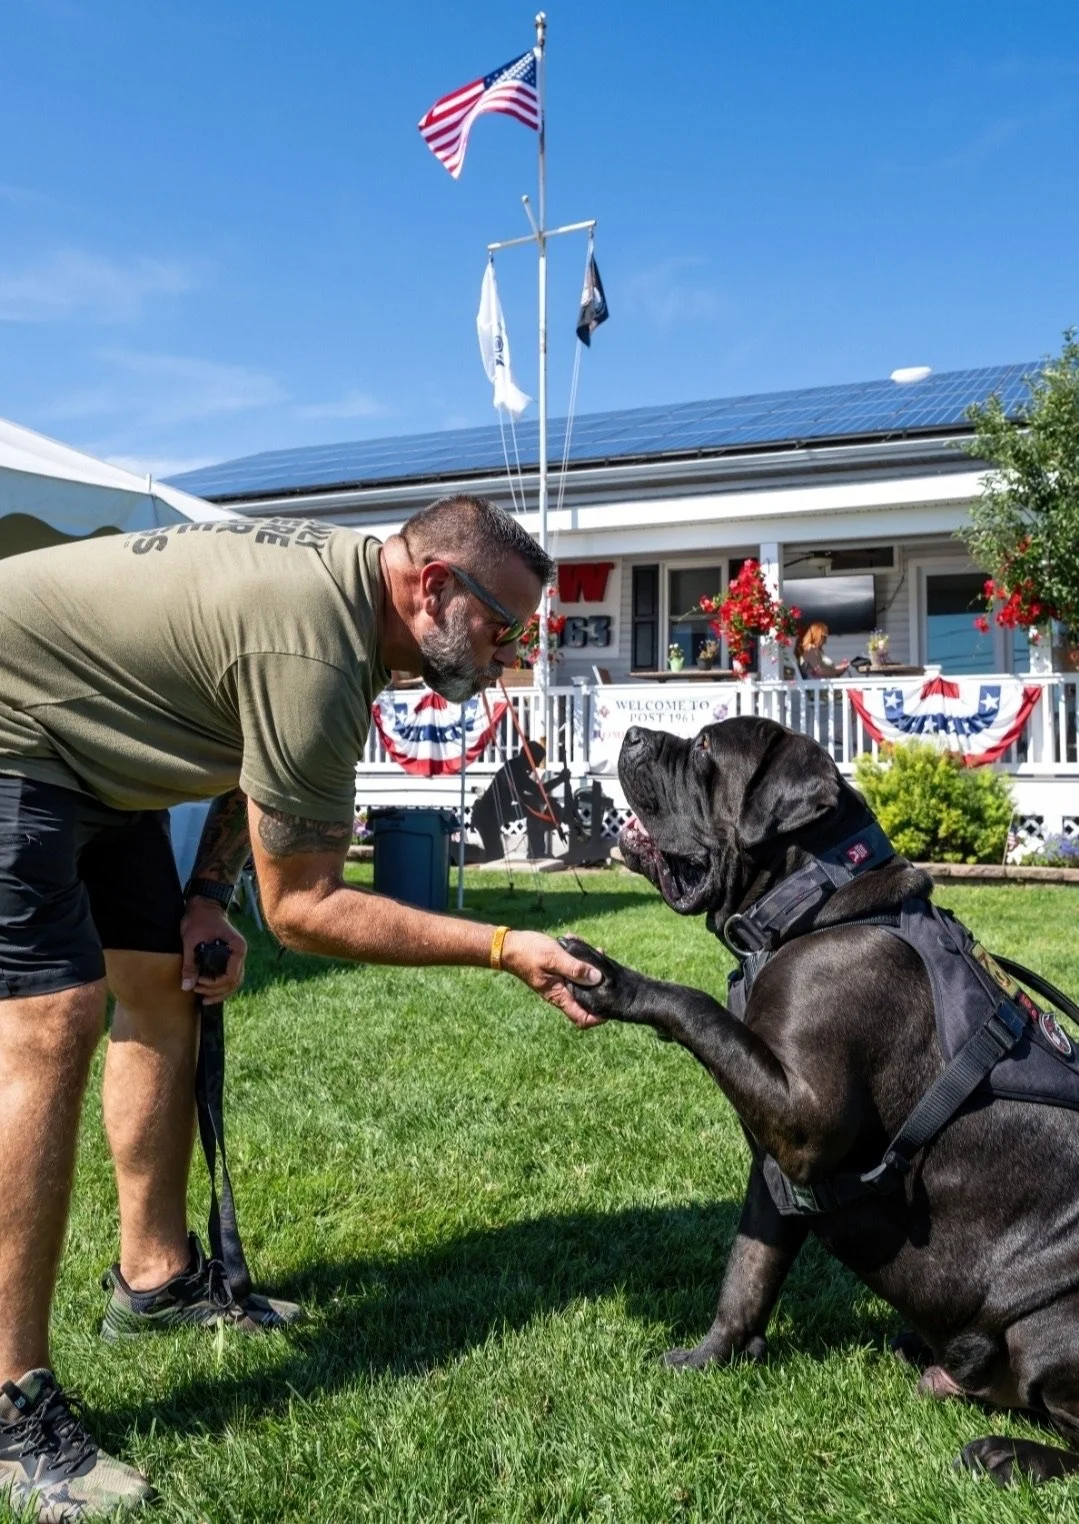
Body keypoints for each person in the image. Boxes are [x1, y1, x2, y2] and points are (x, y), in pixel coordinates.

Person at [0, 493, 603, 1520]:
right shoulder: (318, 649)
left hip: (102, 762)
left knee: (162, 985)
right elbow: (309, 911)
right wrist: (503, 947)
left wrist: (204, 894)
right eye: (500, 629)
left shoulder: (344, 613)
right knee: (53, 1019)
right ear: (429, 587)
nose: (506, 658)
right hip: (17, 729)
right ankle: (11, 1409)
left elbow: (256, 754)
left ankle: (153, 1283)